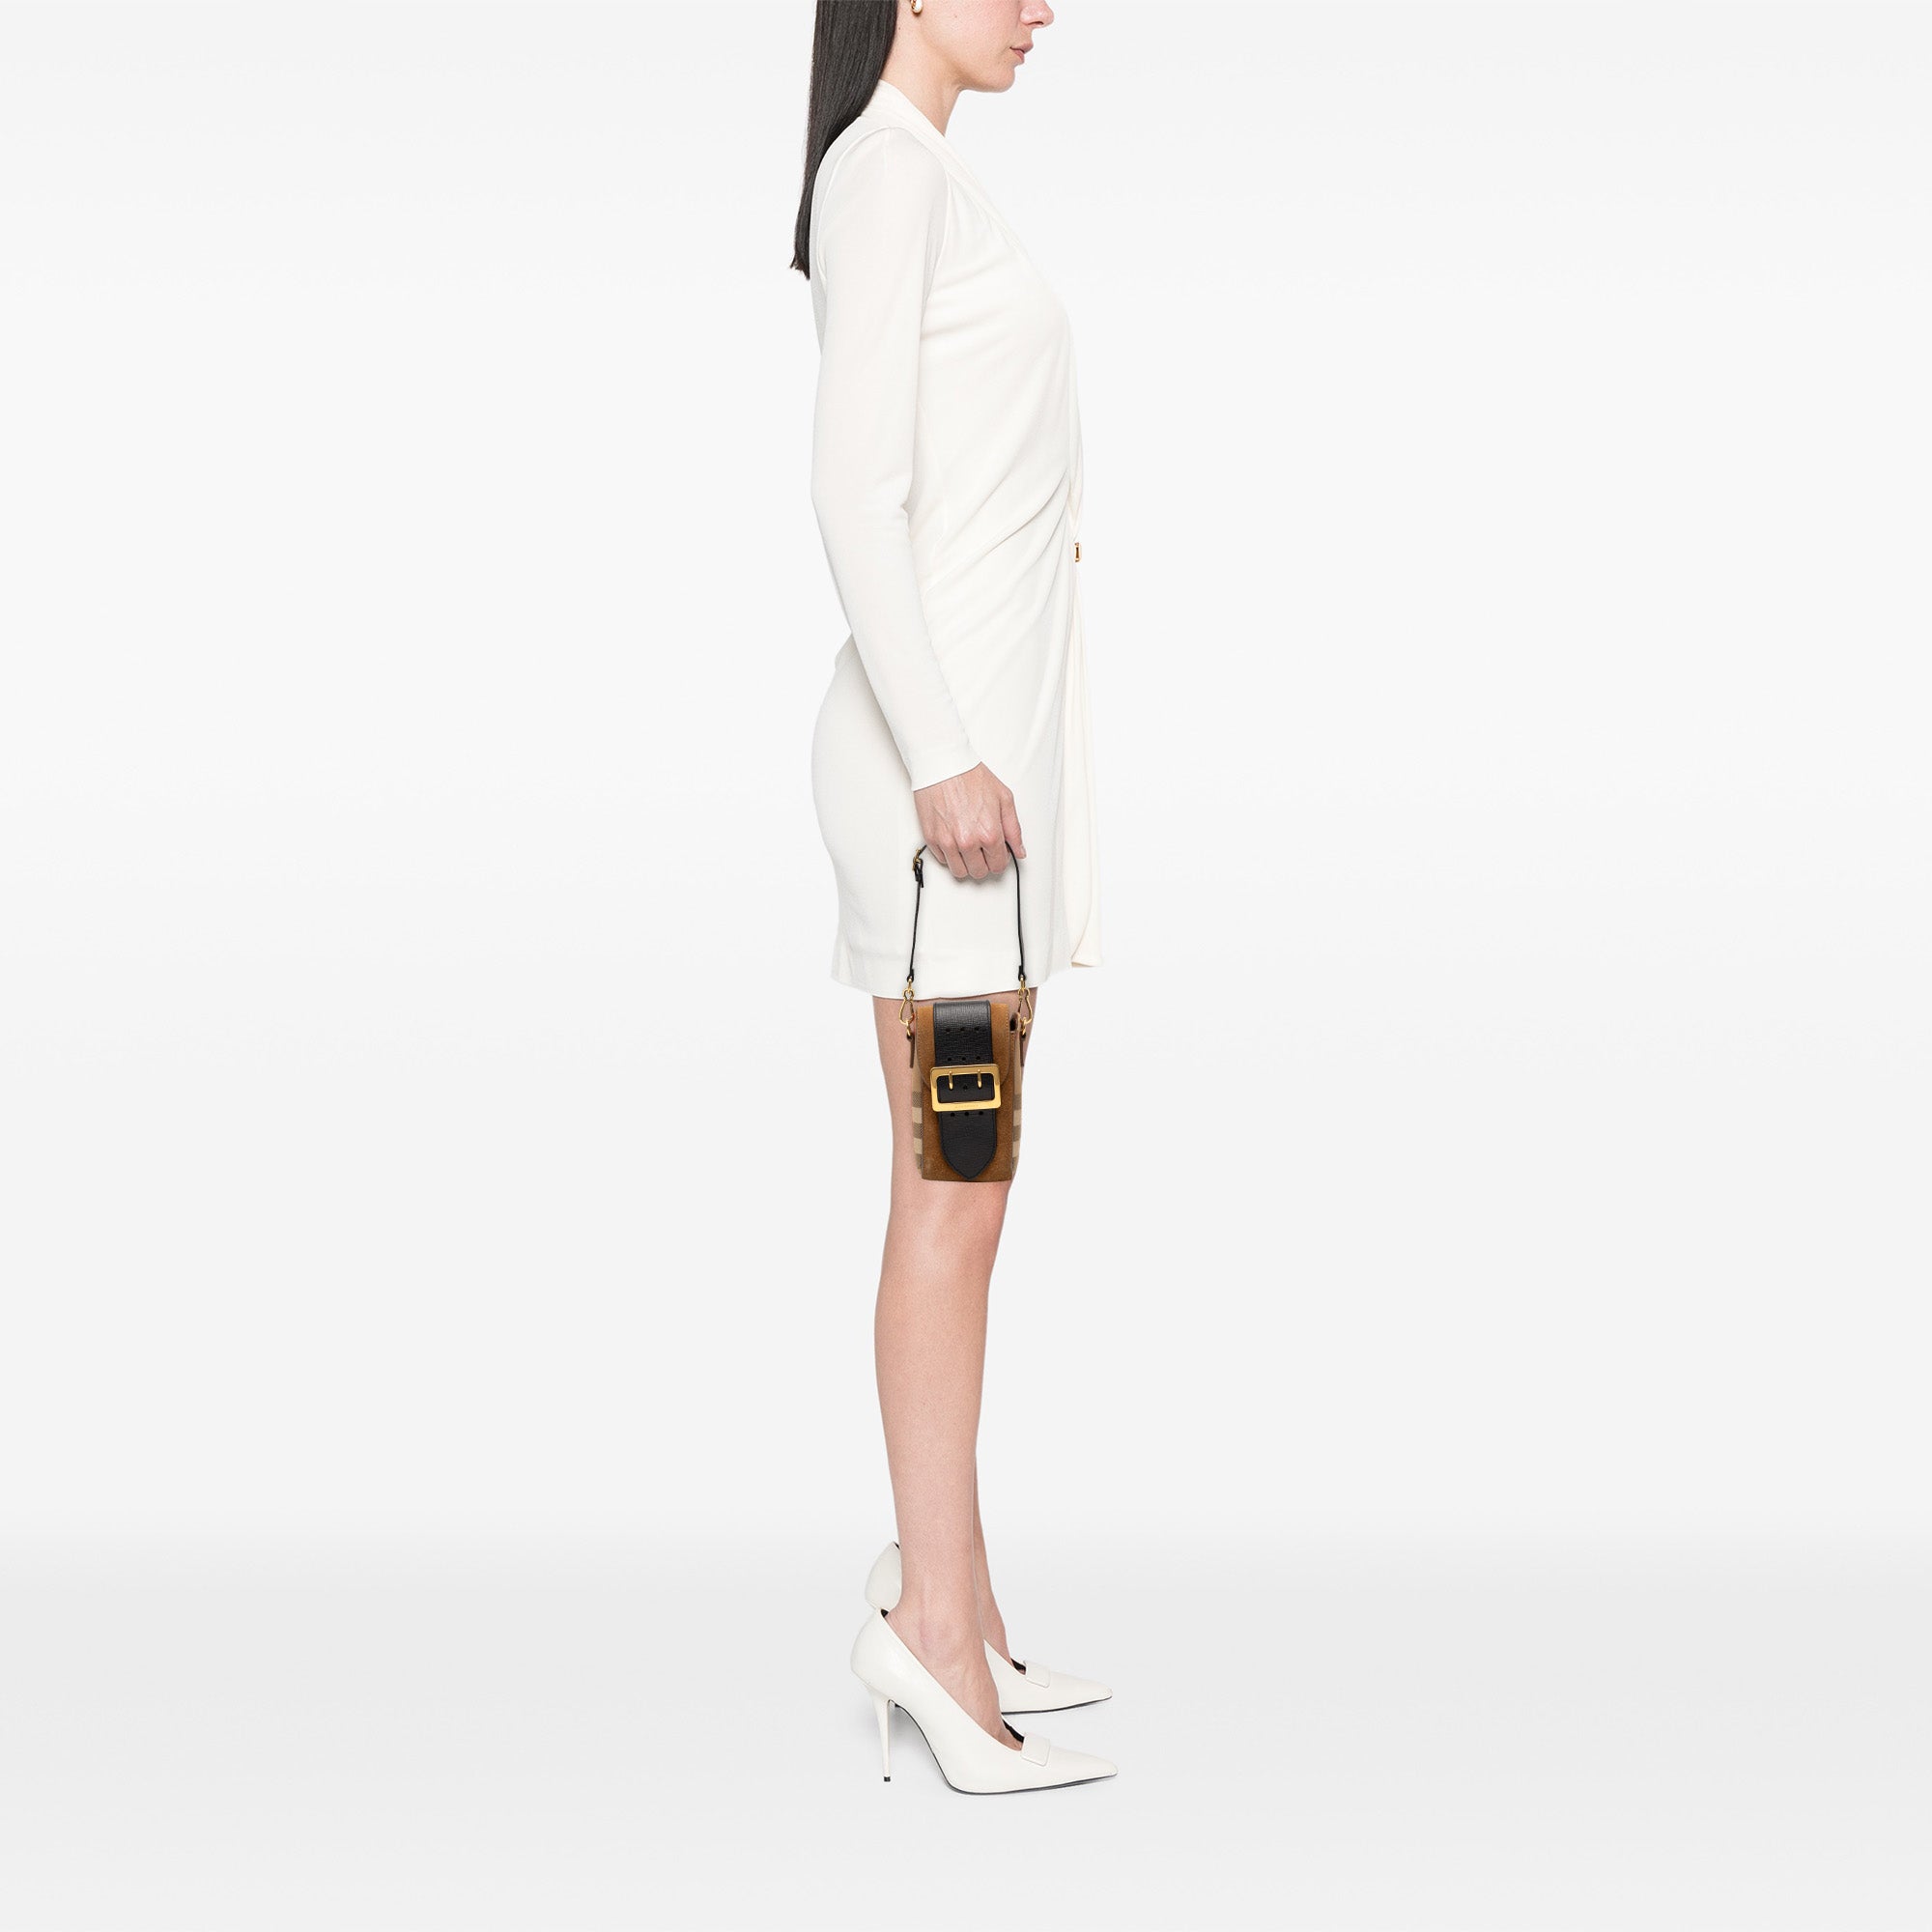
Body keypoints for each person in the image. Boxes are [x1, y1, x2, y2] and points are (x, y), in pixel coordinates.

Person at [792, 0, 1114, 1793]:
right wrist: (942, 758)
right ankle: (929, 1636)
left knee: (966, 1191)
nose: (1043, 7)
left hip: (977, 807)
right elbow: (856, 493)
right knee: (954, 1198)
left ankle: (962, 1603)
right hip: (949, 820)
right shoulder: (885, 177)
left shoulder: (923, 176)